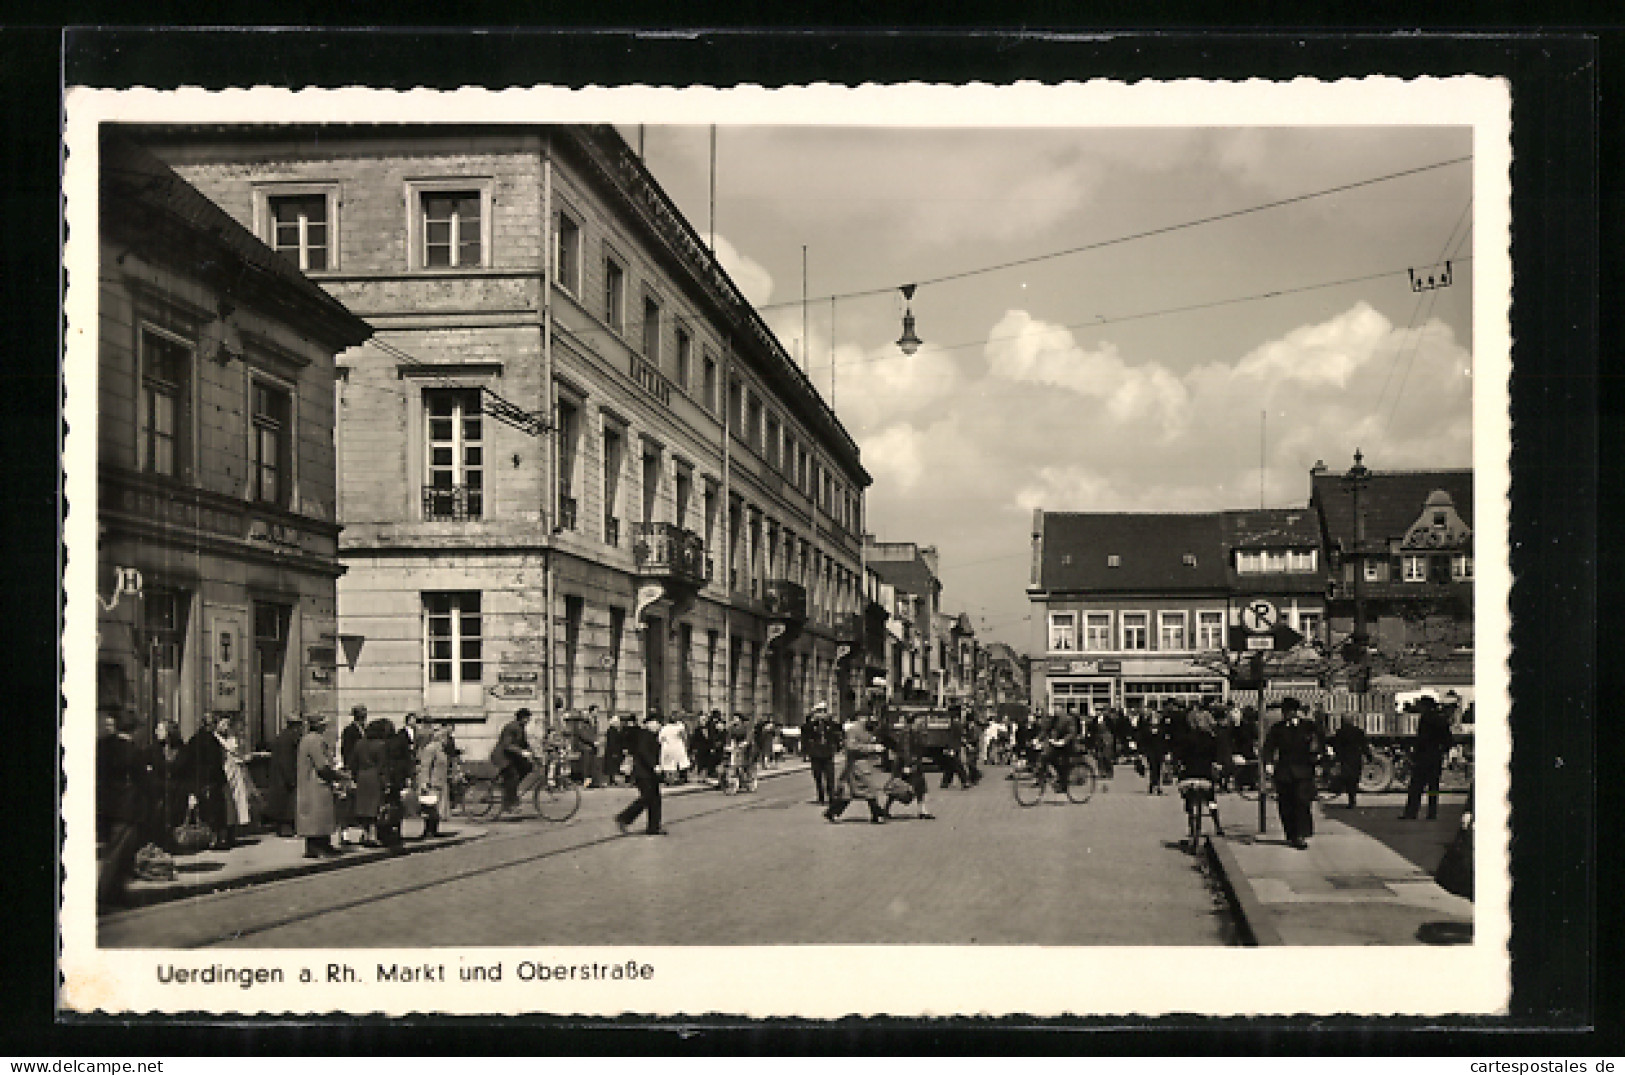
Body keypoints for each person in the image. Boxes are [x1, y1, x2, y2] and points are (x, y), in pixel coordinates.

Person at [97, 706, 147, 906]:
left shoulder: (103, 745)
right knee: (120, 852)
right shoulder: (132, 751)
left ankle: (115, 893)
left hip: (107, 807)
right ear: (133, 729)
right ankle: (107, 894)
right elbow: (142, 781)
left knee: (114, 850)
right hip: (126, 808)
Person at [1261, 697, 1323, 849]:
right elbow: (1268, 747)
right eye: (1285, 711)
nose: (1286, 714)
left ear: (1295, 712)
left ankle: (1301, 835)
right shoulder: (1278, 728)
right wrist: (1268, 763)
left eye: (1288, 711)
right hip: (1284, 771)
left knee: (1301, 802)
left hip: (1303, 770)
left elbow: (1320, 741)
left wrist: (1320, 756)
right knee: (1285, 804)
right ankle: (1291, 834)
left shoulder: (1308, 727)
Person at [825, 711, 888, 824]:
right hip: (856, 764)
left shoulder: (866, 729)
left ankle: (832, 812)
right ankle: (877, 814)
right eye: (867, 717)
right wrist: (872, 748)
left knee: (850, 793)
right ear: (860, 717)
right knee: (870, 789)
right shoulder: (853, 730)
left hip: (862, 764)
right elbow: (851, 746)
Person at [295, 713, 342, 858]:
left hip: (309, 783)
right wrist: (337, 775)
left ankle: (321, 845)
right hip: (316, 784)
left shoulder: (306, 739)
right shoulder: (316, 740)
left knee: (315, 816)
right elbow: (322, 765)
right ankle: (318, 847)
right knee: (319, 816)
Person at [1174, 707, 1224, 841]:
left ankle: (1191, 821)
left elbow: (1179, 757)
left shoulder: (1186, 738)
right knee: (1211, 799)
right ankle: (1217, 824)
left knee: (1188, 797)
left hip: (1189, 775)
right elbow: (1215, 757)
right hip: (1205, 775)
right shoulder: (1211, 738)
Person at [1402, 696, 1454, 820]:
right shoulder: (1441, 719)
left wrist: (1414, 752)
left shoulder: (1425, 719)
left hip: (1423, 756)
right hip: (1435, 756)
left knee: (1416, 786)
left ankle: (1411, 812)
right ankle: (1432, 812)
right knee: (1433, 787)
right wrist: (1441, 751)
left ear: (1426, 706)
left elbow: (1422, 739)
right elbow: (1448, 740)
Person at [615, 713, 667, 835]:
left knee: (655, 799)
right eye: (657, 724)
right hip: (643, 773)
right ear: (650, 723)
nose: (659, 726)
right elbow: (643, 752)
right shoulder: (645, 735)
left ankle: (654, 827)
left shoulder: (651, 735)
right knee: (647, 798)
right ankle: (624, 817)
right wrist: (654, 766)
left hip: (649, 773)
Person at [185, 713, 230, 849]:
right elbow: (216, 763)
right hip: (211, 781)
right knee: (214, 812)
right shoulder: (211, 741)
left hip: (200, 781)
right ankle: (214, 839)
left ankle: (207, 839)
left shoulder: (194, 740)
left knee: (203, 812)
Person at [883, 708, 934, 819]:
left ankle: (922, 811)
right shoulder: (907, 732)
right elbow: (905, 749)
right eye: (919, 720)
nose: (921, 722)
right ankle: (886, 809)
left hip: (913, 762)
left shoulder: (915, 732)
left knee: (920, 786)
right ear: (913, 721)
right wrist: (907, 765)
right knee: (898, 786)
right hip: (906, 763)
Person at [145, 719, 187, 850]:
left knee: (175, 818)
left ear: (169, 732)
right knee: (158, 818)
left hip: (177, 791)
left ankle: (171, 842)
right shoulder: (152, 749)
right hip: (158, 791)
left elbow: (188, 771)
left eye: (161, 729)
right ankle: (160, 844)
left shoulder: (182, 749)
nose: (157, 732)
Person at [263, 716, 304, 837]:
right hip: (284, 778)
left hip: (279, 777)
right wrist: (291, 779)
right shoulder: (288, 739)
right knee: (286, 805)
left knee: (283, 804)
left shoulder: (283, 736)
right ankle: (285, 829)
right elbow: (286, 760)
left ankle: (284, 828)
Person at [218, 717, 254, 848]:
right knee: (227, 804)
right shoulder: (217, 740)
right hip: (225, 773)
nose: (225, 727)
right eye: (223, 724)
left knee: (236, 804)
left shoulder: (233, 739)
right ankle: (224, 835)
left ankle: (232, 833)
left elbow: (238, 753)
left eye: (227, 724)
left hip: (235, 772)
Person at [492, 708, 535, 815]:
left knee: (528, 767)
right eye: (527, 718)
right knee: (513, 776)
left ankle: (510, 789)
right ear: (521, 718)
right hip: (502, 757)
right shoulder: (511, 727)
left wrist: (534, 754)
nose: (528, 721)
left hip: (511, 757)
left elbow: (524, 744)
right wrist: (522, 752)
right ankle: (509, 804)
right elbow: (507, 745)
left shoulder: (521, 728)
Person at [802, 701, 841, 805]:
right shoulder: (810, 724)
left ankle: (831, 796)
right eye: (819, 711)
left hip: (827, 753)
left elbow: (837, 731)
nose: (822, 714)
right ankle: (821, 795)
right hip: (815, 753)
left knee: (830, 776)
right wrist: (812, 721)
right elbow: (804, 734)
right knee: (817, 775)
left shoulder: (830, 723)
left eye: (824, 711)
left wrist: (829, 721)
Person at [1330, 714, 1372, 808]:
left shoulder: (1340, 732)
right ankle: (1352, 799)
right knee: (1354, 779)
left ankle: (1350, 799)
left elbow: (1336, 746)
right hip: (1356, 758)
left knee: (1347, 779)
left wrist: (1337, 758)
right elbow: (1364, 745)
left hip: (1344, 759)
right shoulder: (1358, 731)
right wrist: (1369, 756)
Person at [417, 725, 450, 838]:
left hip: (440, 783)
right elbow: (426, 766)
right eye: (446, 737)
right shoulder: (430, 748)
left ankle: (434, 829)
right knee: (430, 808)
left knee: (437, 809)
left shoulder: (442, 750)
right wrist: (424, 782)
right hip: (432, 783)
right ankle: (428, 830)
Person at [657, 711, 691, 784]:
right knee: (681, 763)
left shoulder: (664, 728)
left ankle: (669, 779)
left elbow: (660, 739)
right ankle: (679, 778)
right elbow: (684, 736)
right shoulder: (680, 727)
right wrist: (686, 744)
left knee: (669, 764)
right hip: (677, 746)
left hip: (668, 747)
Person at [1139, 710, 1168, 794]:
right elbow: (1143, 741)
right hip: (1150, 751)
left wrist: (1166, 752)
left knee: (1159, 768)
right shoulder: (1146, 729)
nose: (1155, 720)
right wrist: (1142, 753)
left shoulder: (1162, 729)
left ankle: (1156, 784)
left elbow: (1165, 741)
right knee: (1153, 767)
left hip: (1159, 751)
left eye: (1157, 718)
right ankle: (1153, 784)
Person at [602, 707, 625, 787]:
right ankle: (611, 780)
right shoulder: (612, 731)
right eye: (617, 722)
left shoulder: (615, 730)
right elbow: (612, 742)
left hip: (614, 750)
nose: (619, 723)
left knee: (614, 766)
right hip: (612, 751)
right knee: (612, 766)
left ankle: (612, 780)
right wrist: (615, 751)